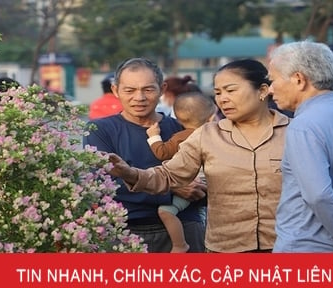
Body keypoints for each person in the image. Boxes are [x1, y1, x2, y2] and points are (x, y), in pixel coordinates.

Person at [105, 59, 290, 252]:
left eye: (231, 90)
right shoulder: (207, 135)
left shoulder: (295, 132)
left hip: (285, 246)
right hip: (226, 249)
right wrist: (131, 174)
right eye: (218, 93)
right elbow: (168, 175)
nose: (222, 99)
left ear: (262, 90)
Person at [83, 57, 208, 253]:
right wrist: (172, 189)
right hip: (126, 230)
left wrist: (199, 188)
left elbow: (210, 179)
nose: (139, 97)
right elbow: (103, 185)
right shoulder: (100, 130)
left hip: (185, 229)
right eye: (130, 90)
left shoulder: (182, 129)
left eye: (148, 89)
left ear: (162, 89)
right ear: (116, 90)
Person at [267, 41, 333, 253]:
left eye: (273, 80)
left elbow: (319, 196)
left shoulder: (304, 126)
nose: (270, 89)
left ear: (299, 80)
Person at [146, 92, 217, 253]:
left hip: (190, 183)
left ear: (177, 120)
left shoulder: (181, 136)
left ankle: (179, 244)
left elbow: (162, 152)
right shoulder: (216, 135)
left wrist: (153, 136)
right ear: (211, 118)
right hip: (211, 183)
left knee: (165, 211)